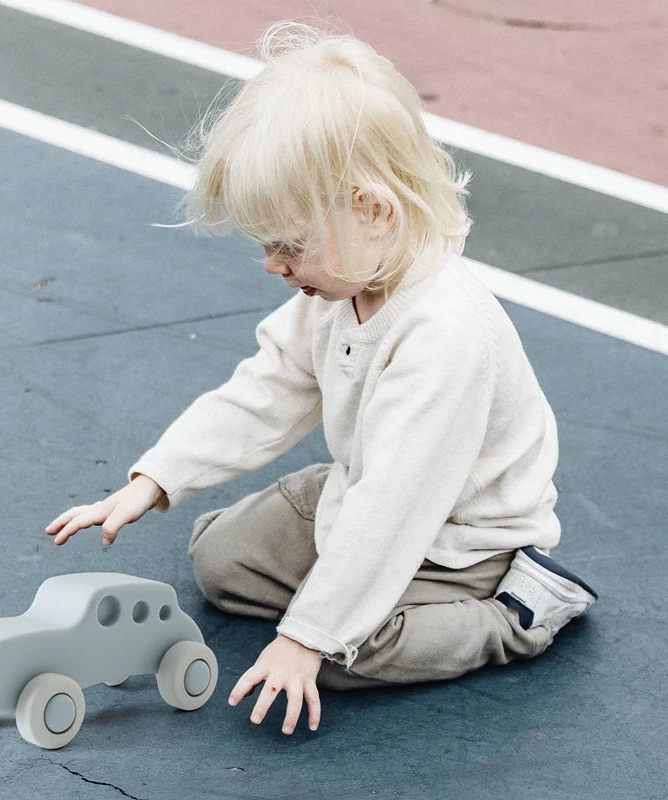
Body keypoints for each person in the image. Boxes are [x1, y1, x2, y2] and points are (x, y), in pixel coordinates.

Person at [46, 22, 597, 736]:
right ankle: (336, 598)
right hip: (362, 490)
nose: (274, 264)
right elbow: (267, 389)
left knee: (345, 651)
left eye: (289, 244)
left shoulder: (446, 334)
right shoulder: (339, 286)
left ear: (373, 211)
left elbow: (397, 505)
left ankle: (516, 614)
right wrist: (153, 481)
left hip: (459, 540)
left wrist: (306, 638)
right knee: (220, 562)